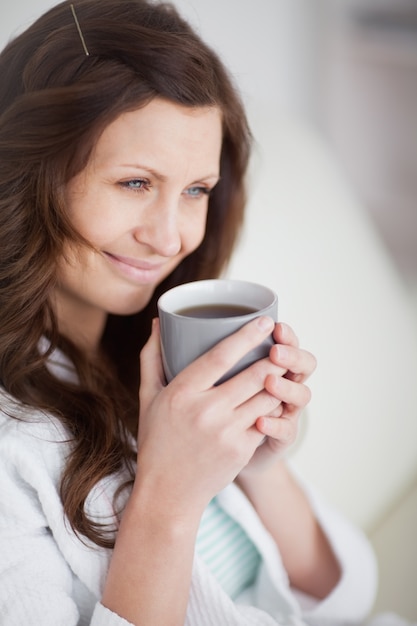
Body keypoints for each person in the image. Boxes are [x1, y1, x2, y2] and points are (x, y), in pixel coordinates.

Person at [0, 1, 408, 625]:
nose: (170, 239)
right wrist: (166, 499)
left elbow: (343, 601)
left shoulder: (151, 362)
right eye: (134, 183)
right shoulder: (14, 445)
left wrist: (257, 467)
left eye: (196, 190)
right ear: (26, 174)